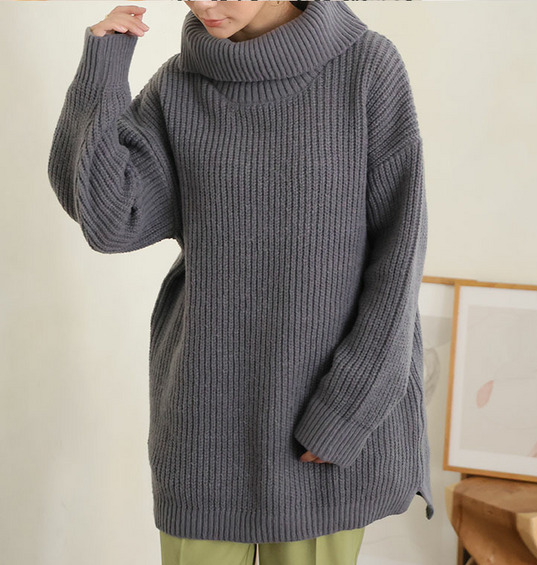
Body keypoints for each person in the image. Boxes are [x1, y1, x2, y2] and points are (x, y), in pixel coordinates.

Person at [47, 1, 433, 564]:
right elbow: (110, 219)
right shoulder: (177, 86)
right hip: (205, 426)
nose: (201, 3)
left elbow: (398, 258)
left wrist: (348, 410)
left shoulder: (366, 66)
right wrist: (102, 71)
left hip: (318, 423)